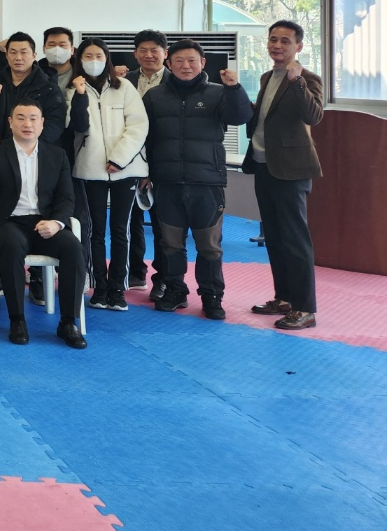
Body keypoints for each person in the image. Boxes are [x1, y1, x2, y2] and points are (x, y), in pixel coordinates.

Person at [142, 39, 253, 320]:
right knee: (170, 244)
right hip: (166, 181)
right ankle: (175, 290)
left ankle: (212, 296)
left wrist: (235, 88)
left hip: (207, 182)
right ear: (169, 63)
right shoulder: (154, 96)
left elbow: (241, 116)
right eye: (179, 60)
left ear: (202, 63)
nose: (185, 66)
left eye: (192, 60)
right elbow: (144, 136)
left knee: (209, 246)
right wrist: (145, 172)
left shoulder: (219, 92)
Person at [0, 105, 86, 348]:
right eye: (21, 118)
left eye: (33, 118)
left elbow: (67, 198)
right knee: (12, 247)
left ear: (42, 123)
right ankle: (17, 320)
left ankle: (68, 322)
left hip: (45, 223)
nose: (27, 124)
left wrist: (57, 223)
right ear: (10, 122)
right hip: (9, 222)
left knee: (73, 248)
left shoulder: (57, 155)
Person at [243, 20, 323, 331]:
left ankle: (305, 308)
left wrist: (297, 81)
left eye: (285, 41)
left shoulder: (308, 78)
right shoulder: (266, 76)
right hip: (264, 164)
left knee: (295, 239)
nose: (277, 45)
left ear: (298, 46)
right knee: (274, 237)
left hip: (292, 168)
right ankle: (285, 298)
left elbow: (313, 116)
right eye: (273, 40)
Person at [65, 37, 148, 311]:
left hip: (126, 169)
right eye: (88, 56)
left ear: (107, 58)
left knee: (121, 230)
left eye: (99, 56)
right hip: (90, 169)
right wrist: (79, 94)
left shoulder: (124, 87)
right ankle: (99, 287)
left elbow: (138, 126)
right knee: (95, 232)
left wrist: (119, 159)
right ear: (79, 60)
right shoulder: (72, 90)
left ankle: (117, 289)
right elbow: (77, 126)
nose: (94, 61)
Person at [125, 29, 169, 294]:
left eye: (155, 50)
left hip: (164, 162)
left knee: (163, 225)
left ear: (165, 53)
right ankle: (135, 272)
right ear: (135, 53)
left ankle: (162, 279)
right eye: (143, 50)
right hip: (130, 160)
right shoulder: (124, 81)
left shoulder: (176, 81)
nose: (149, 55)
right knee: (131, 221)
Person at [37, 26, 78, 91]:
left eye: (62, 45)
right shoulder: (34, 74)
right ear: (44, 49)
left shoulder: (81, 73)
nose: (57, 49)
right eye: (52, 45)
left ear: (72, 50)